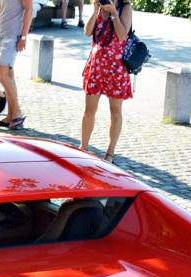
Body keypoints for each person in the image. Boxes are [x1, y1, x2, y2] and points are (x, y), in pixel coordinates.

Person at [79, 0, 132, 160]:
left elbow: (122, 35)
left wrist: (114, 13)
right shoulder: (99, 6)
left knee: (115, 112)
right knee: (89, 110)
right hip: (96, 67)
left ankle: (110, 153)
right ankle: (83, 147)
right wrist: (96, 10)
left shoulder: (125, 8)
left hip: (116, 68)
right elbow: (87, 32)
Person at [0, 0, 33, 130]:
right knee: (8, 74)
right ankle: (11, 116)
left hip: (13, 35)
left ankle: (17, 113)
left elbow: (29, 9)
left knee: (0, 73)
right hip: (1, 35)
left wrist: (23, 37)